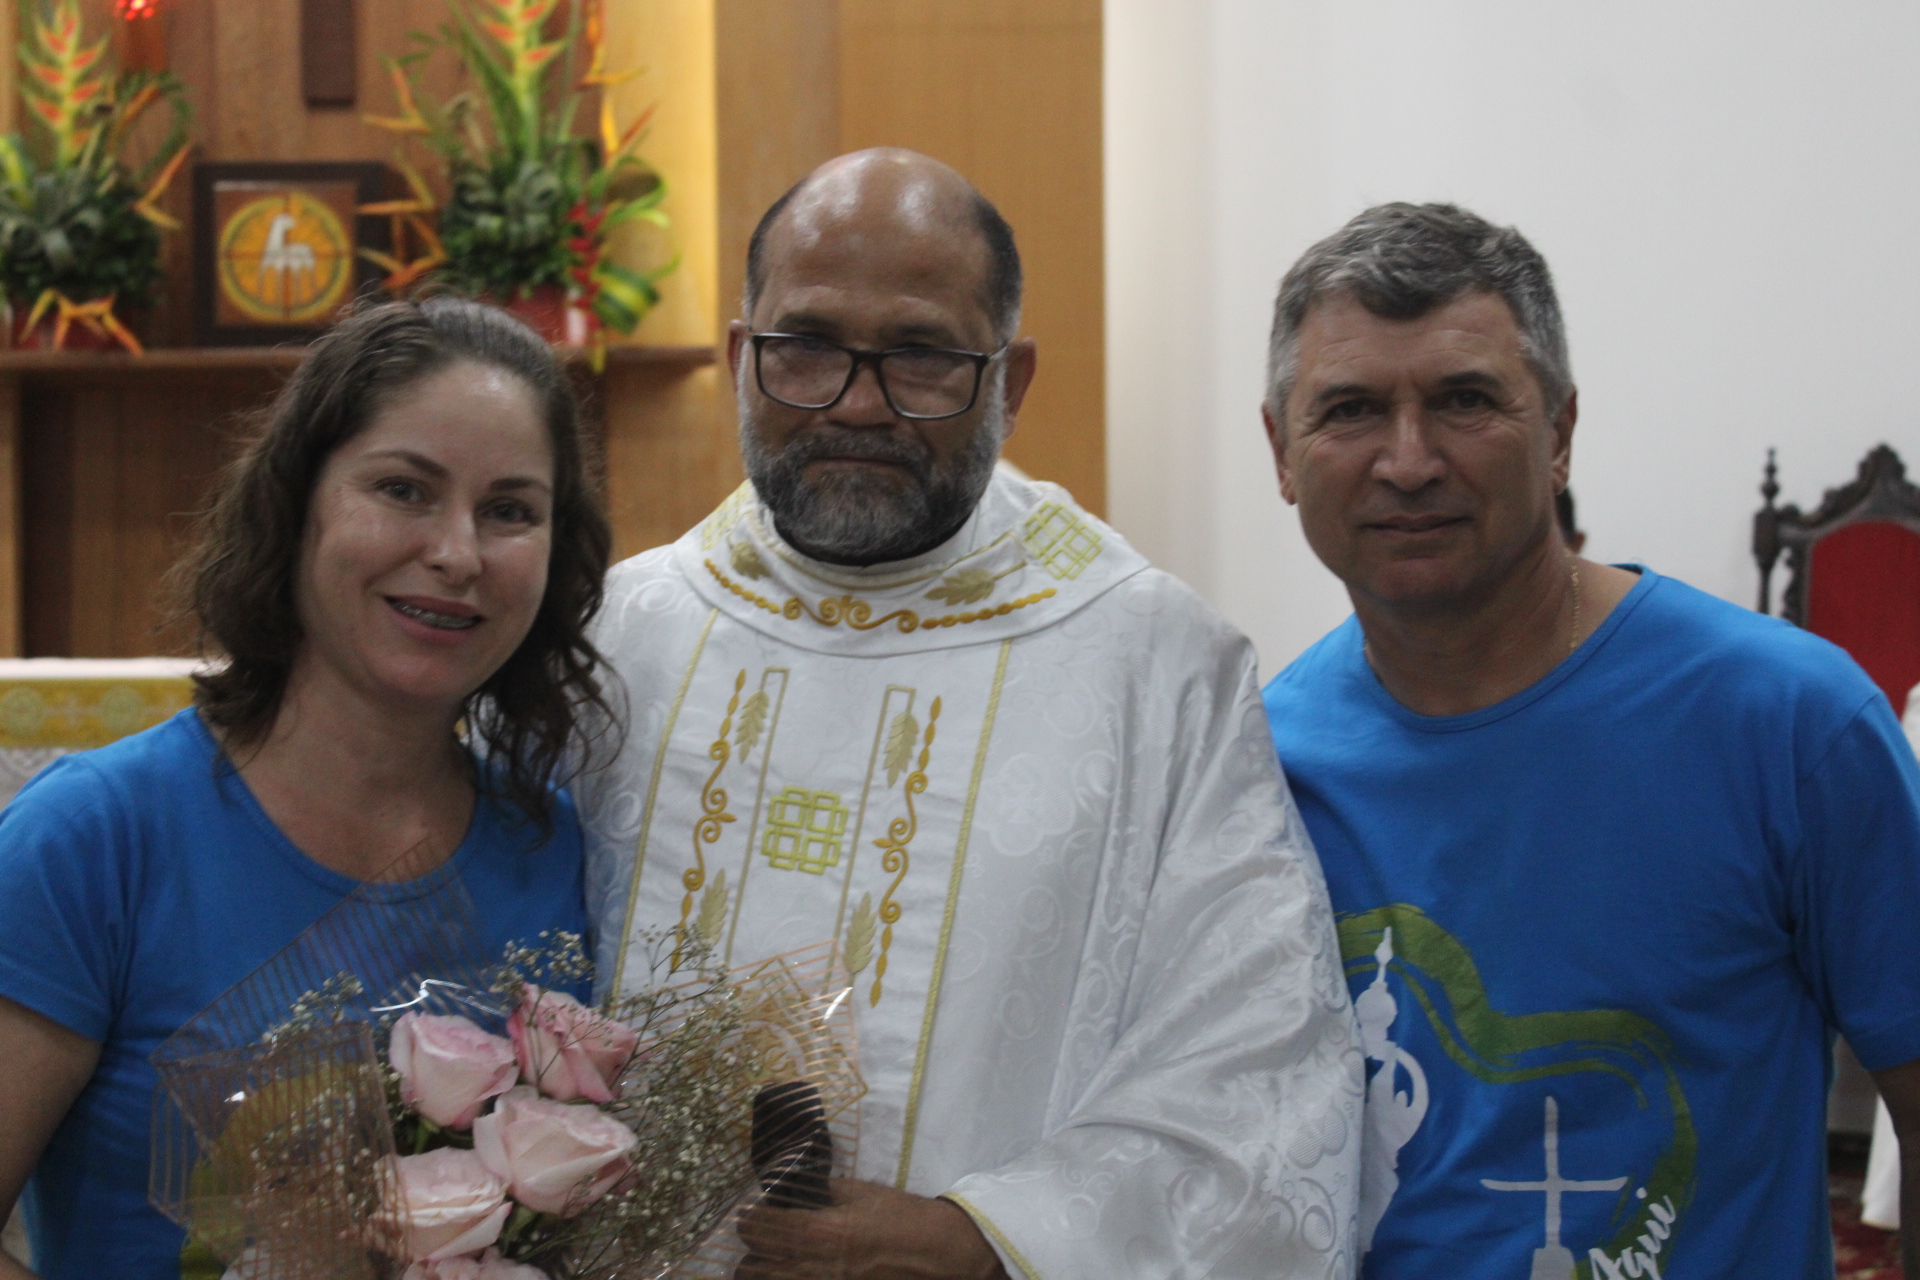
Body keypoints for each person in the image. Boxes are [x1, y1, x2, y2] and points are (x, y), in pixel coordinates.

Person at [576, 148, 1361, 1280]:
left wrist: (993, 1239)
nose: (857, 403)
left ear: (1011, 380)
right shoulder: (614, 640)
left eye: (923, 356)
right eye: (807, 346)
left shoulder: (1156, 665)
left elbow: (1258, 1061)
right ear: (743, 356)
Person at [1258, 202, 1920, 1279]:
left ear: (1560, 433)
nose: (1409, 460)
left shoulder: (1789, 723)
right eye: (1351, 409)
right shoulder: (1263, 767)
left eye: (1466, 400)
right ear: (1281, 451)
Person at [0, 298, 615, 1280]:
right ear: (294, 506)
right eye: (404, 489)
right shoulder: (91, 839)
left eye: (510, 510)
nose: (457, 553)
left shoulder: (557, 849)